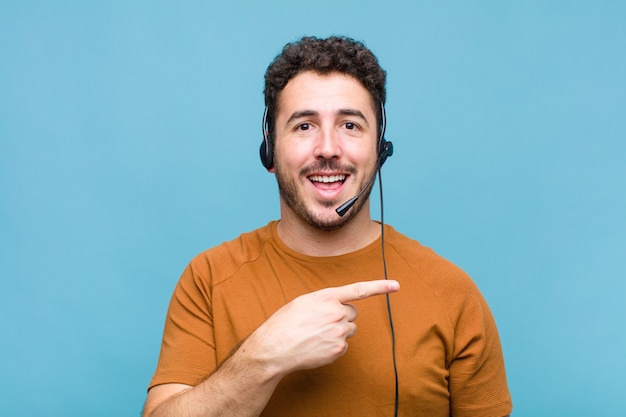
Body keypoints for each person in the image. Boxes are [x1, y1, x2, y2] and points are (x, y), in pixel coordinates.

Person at [142, 36, 513, 417]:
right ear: (270, 150)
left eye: (350, 125)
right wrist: (262, 358)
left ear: (379, 148)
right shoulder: (208, 279)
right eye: (304, 126)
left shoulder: (452, 293)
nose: (328, 148)